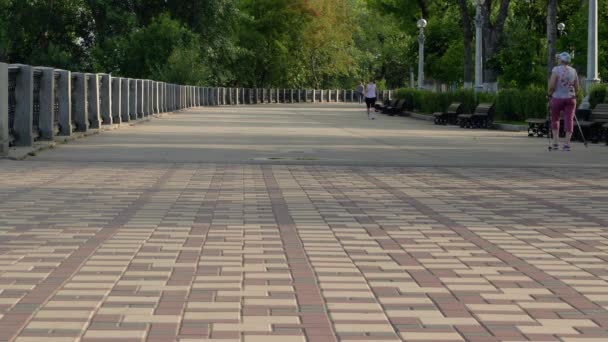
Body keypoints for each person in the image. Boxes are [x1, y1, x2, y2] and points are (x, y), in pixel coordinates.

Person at [547, 52, 579, 151]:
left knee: (555, 119)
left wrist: (549, 93)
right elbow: (577, 87)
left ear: (561, 60)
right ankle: (567, 144)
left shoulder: (556, 70)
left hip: (557, 97)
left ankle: (555, 143)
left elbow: (552, 85)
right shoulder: (573, 71)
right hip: (570, 98)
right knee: (569, 120)